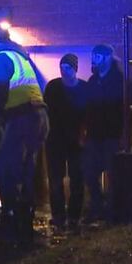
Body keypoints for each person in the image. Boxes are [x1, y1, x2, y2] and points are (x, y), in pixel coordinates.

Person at [0, 24, 49, 245]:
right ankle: (24, 222)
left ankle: (10, 222)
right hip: (38, 116)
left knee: (5, 171)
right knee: (26, 170)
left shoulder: (0, 59)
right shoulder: (21, 57)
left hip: (22, 118)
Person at [83, 43, 132, 224]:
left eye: (97, 56)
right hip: (94, 135)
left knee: (113, 174)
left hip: (112, 134)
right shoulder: (93, 81)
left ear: (107, 57)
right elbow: (87, 107)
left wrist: (126, 132)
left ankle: (111, 212)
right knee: (90, 173)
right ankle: (97, 206)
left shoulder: (121, 81)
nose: (93, 60)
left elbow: (131, 107)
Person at [43, 53, 87, 231]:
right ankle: (59, 217)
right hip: (55, 139)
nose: (63, 70)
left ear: (74, 69)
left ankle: (74, 216)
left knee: (77, 179)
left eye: (67, 67)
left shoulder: (82, 88)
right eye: (62, 67)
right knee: (55, 180)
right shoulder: (53, 86)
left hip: (76, 141)